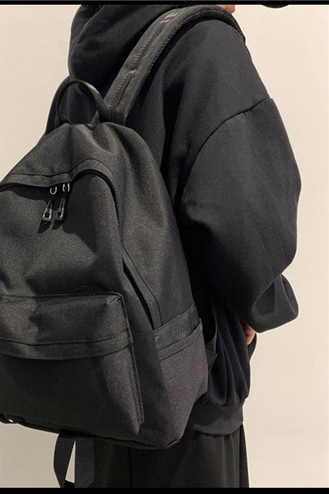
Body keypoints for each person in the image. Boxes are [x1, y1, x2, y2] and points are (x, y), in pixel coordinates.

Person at [44, 3, 301, 488]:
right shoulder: (206, 45)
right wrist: (259, 302)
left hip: (102, 384)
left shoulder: (97, 49)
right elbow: (243, 216)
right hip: (188, 391)